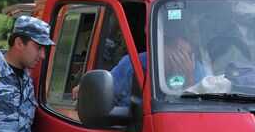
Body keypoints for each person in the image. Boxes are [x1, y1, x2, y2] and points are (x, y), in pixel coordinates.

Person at [72, 36, 210, 105]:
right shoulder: (134, 63)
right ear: (163, 47)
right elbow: (106, 89)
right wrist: (89, 89)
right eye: (178, 51)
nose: (181, 59)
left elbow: (204, 111)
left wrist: (189, 80)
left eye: (187, 54)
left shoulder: (203, 74)